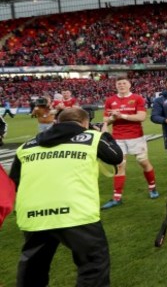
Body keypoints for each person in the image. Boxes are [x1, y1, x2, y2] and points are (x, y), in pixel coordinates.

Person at [9, 107, 123, 286]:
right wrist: (104, 134)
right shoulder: (92, 138)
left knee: (33, 268)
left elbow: (13, 182)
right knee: (93, 265)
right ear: (85, 123)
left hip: (33, 214)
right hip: (76, 213)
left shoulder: (27, 146)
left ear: (57, 122)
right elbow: (116, 157)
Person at [101, 77, 159, 209]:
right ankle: (117, 198)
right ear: (116, 86)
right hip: (118, 137)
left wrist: (122, 116)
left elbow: (142, 117)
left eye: (124, 83)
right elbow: (105, 120)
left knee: (143, 162)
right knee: (120, 165)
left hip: (136, 136)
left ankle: (152, 188)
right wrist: (112, 117)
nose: (121, 85)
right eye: (119, 84)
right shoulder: (110, 100)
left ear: (129, 85)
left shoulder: (137, 98)